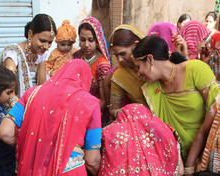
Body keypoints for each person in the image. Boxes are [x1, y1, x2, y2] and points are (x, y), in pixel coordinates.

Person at [132, 35, 220, 163]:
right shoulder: (151, 89)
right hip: (173, 161)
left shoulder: (195, 69)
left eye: (138, 67)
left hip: (205, 155)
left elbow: (215, 117)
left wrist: (191, 163)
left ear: (150, 59)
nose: (138, 74)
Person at [1, 14, 57, 97]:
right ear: (30, 34)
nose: (46, 46)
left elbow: (42, 85)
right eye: (42, 40)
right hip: (13, 103)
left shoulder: (41, 55)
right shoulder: (13, 53)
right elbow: (8, 84)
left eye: (50, 42)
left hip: (31, 102)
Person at [74, 17, 111, 114]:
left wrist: (86, 115)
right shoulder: (77, 56)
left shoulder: (102, 66)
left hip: (94, 113)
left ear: (97, 41)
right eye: (82, 40)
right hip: (75, 109)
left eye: (90, 40)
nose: (86, 44)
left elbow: (104, 101)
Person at [108, 25, 146, 120]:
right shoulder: (119, 76)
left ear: (136, 45)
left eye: (123, 54)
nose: (120, 60)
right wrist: (128, 112)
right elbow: (113, 110)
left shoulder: (155, 60)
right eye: (116, 55)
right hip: (144, 123)